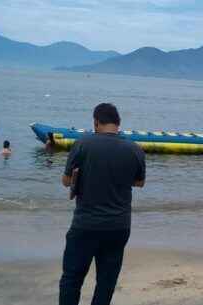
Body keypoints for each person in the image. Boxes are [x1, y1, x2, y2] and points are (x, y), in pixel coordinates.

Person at [59, 103, 146, 305]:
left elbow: (65, 181)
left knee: (72, 278)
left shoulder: (82, 144)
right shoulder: (135, 149)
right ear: (119, 123)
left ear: (96, 122)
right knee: (106, 281)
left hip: (85, 224)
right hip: (118, 226)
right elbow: (140, 182)